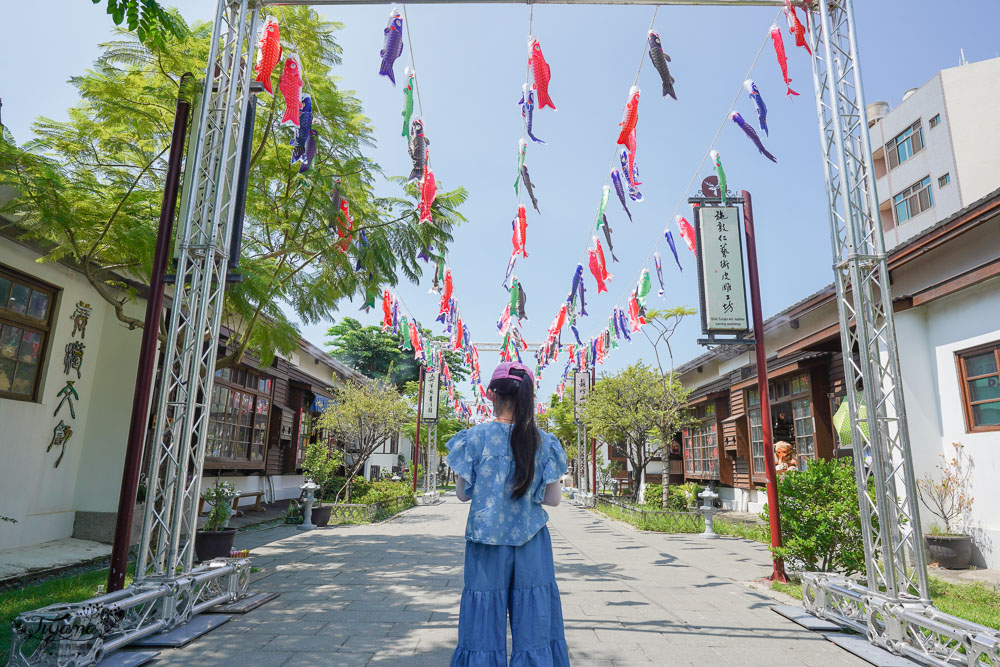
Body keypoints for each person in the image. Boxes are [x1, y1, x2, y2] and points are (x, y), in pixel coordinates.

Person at [446, 361, 570, 666]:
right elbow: (554, 499)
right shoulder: (544, 441)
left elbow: (462, 495)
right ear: (528, 396)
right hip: (531, 542)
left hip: (485, 544)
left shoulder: (472, 438)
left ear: (491, 394)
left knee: (482, 620)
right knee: (535, 620)